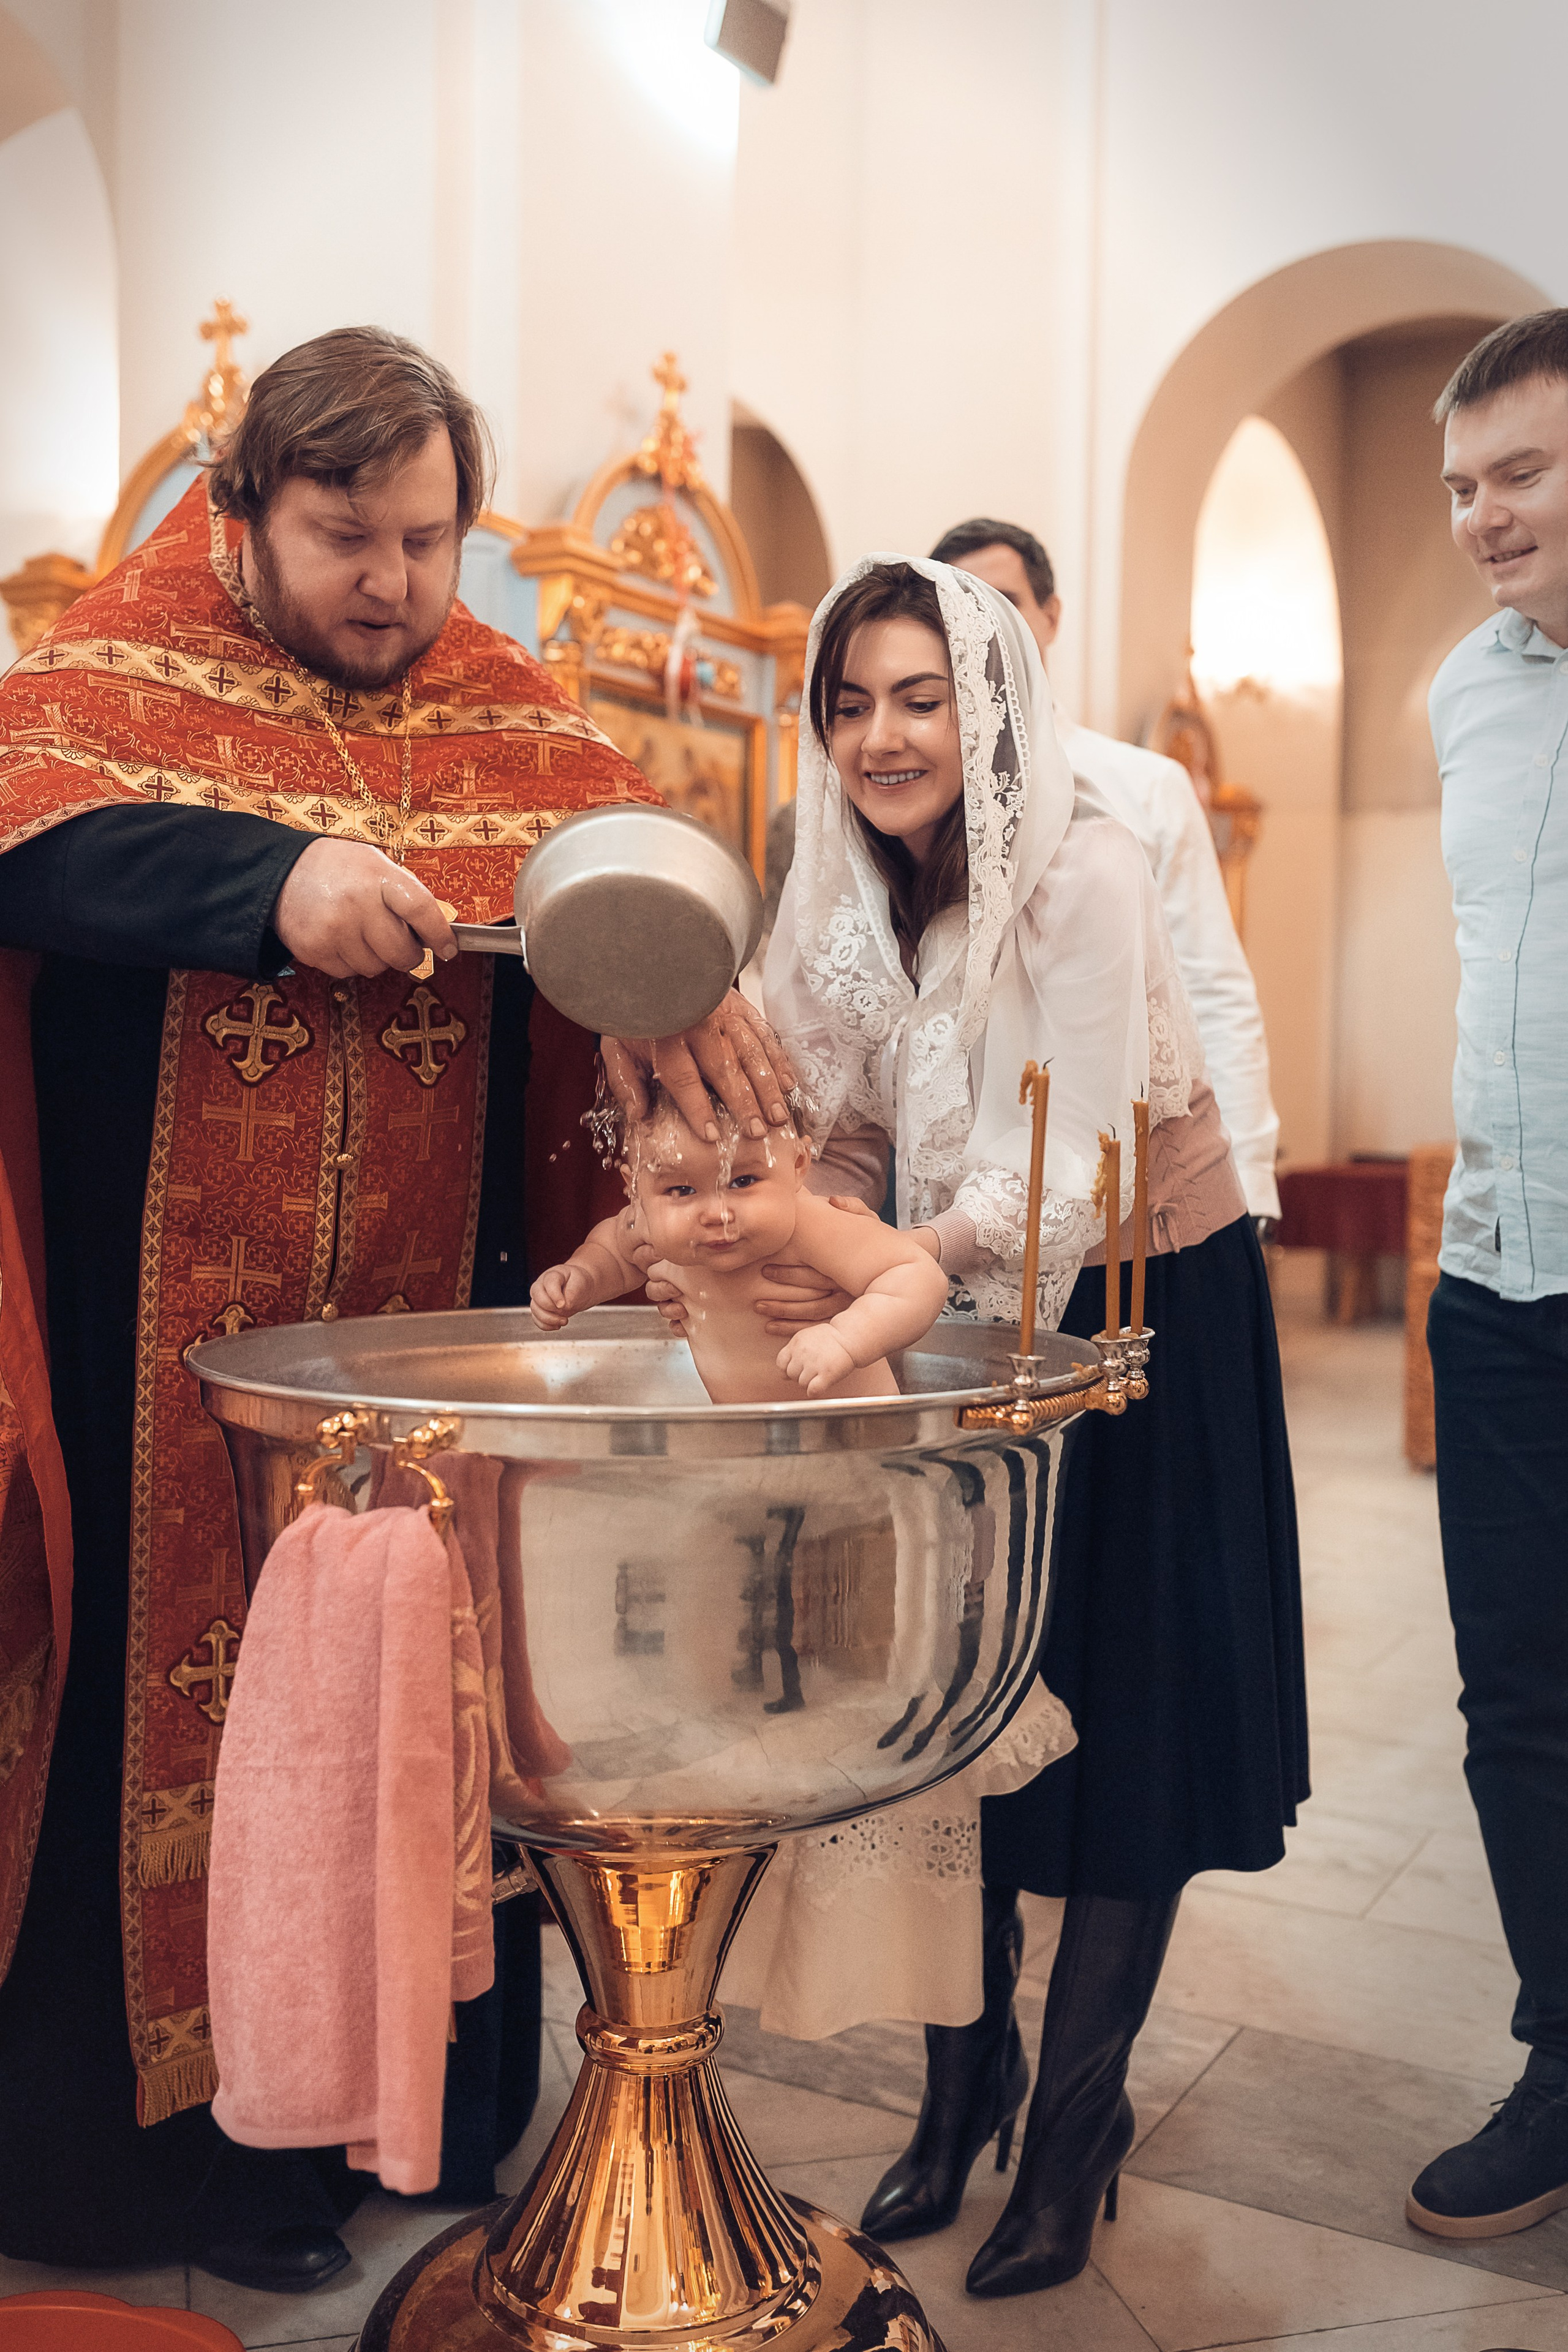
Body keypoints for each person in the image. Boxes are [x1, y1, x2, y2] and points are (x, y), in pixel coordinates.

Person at [0, 326, 793, 2287]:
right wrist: (265, 878)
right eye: (349, 537)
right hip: (152, 1381)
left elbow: (616, 856)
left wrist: (664, 961)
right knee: (165, 1730)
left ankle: (365, 2133)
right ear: (242, 516)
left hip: (419, 1372)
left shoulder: (495, 695)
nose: (397, 586)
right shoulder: (117, 661)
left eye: (432, 540)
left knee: (401, 1731)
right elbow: (34, 835)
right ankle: (143, 2170)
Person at [717, 554, 1306, 2300]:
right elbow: (820, 1111)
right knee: (950, 1715)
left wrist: (896, 1261)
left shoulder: (1083, 869)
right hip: (949, 1328)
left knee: (1125, 1725)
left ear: (991, 708)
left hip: (1135, 1317)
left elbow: (1088, 1148)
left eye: (921, 696)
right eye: (850, 702)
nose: (883, 736)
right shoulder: (839, 884)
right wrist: (796, 1230)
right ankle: (952, 2091)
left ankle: (1072, 2132)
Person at [1405, 309, 1568, 2244]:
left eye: (1518, 471)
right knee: (1517, 1697)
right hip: (1501, 1274)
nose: (1478, 514)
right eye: (1457, 485)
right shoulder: (1461, 692)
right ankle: (1560, 2053)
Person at [929, 517, 1281, 1227]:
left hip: (1125, 1176)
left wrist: (1251, 1180)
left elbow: (1211, 984)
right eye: (957, 609)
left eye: (1005, 602)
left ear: (1050, 617)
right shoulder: (920, 786)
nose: (984, 627)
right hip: (961, 1184)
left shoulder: (1146, 785)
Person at [530, 1084, 949, 1401]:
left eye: (743, 1181)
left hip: (858, 1442)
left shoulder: (811, 1225)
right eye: (681, 1190)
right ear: (635, 1189)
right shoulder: (654, 1227)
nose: (716, 1214)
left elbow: (916, 1274)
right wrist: (581, 1277)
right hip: (746, 1443)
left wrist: (847, 1339)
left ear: (799, 1166)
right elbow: (613, 1251)